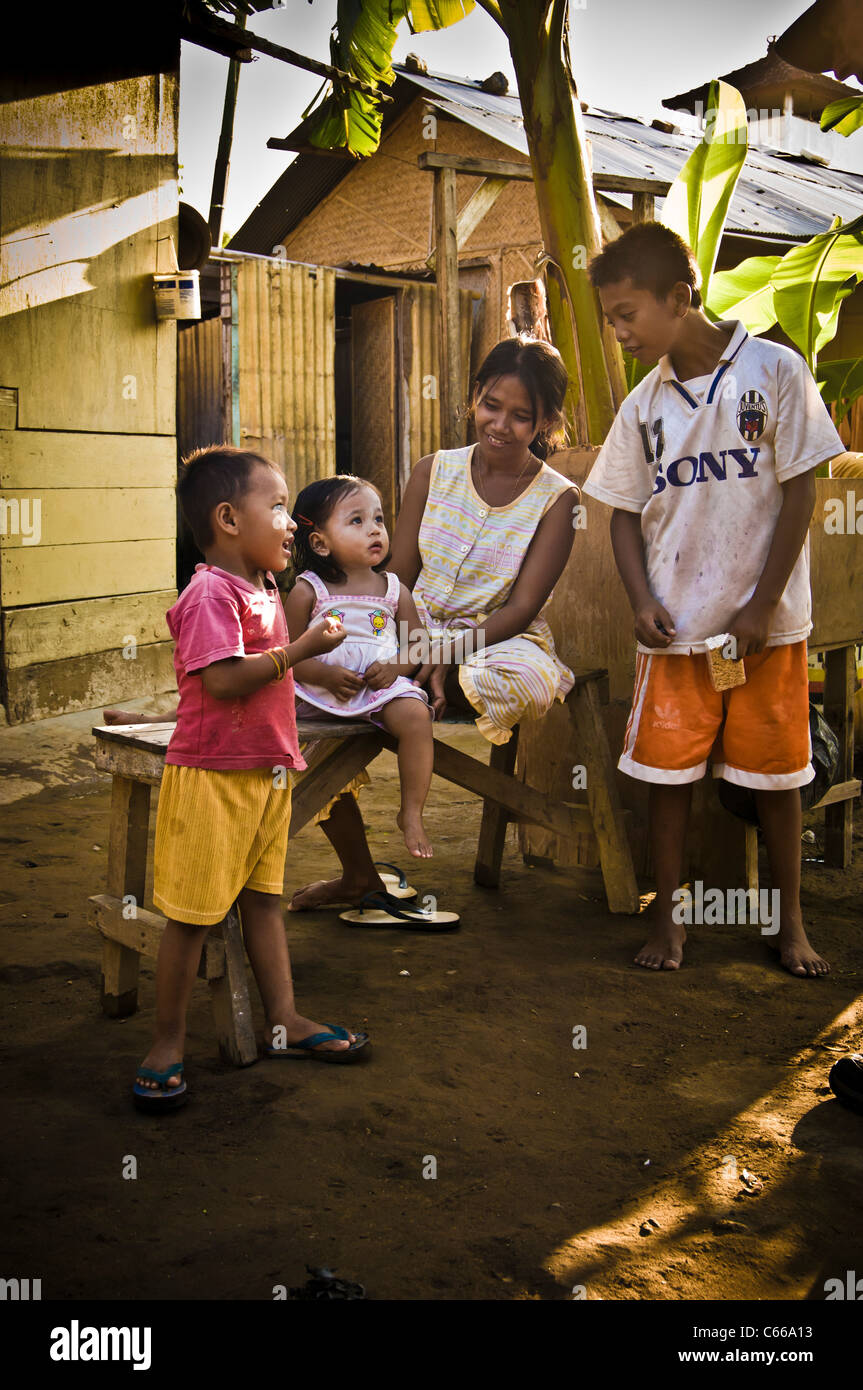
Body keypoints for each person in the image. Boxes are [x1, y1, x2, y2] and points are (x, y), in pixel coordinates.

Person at [581, 221, 845, 977]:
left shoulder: (774, 370)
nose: (619, 331)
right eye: (610, 319)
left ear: (678, 295)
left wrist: (762, 603)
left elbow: (800, 490)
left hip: (765, 633)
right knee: (666, 782)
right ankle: (668, 923)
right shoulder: (642, 407)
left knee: (777, 779)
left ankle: (788, 923)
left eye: (627, 313)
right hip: (676, 634)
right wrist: (638, 601)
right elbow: (622, 516)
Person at [288, 334, 581, 916]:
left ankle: (417, 682)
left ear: (546, 420)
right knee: (320, 681)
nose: (500, 424)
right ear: (475, 396)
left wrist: (442, 650)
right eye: (491, 404)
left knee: (520, 679)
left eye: (522, 416)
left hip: (497, 640)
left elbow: (520, 609)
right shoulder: (433, 470)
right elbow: (397, 573)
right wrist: (401, 642)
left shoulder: (560, 500)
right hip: (404, 623)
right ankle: (357, 873)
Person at [132, 445, 369, 1111]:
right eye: (276, 506)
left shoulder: (262, 591)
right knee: (190, 918)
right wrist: (301, 651)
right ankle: (167, 1041)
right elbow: (222, 680)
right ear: (230, 519)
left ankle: (286, 1019)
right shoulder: (210, 592)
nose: (290, 521)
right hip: (210, 780)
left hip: (265, 778)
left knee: (264, 902)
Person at [284, 475, 435, 859]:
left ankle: (412, 812)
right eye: (357, 521)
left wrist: (396, 668)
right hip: (318, 693)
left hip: (380, 689)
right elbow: (287, 655)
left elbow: (418, 645)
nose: (375, 530)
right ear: (319, 542)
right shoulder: (308, 590)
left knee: (417, 717)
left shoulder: (393, 589)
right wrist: (323, 674)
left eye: (379, 520)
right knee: (295, 743)